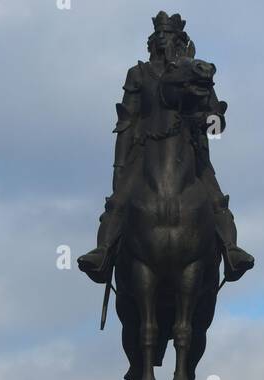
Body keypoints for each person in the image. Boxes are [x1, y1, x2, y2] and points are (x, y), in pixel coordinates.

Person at [78, 12, 254, 285]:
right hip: (145, 152)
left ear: (180, 40)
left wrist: (207, 119)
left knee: (216, 198)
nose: (164, 40)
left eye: (170, 35)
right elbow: (126, 122)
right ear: (152, 42)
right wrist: (119, 167)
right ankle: (103, 252)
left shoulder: (194, 72)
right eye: (160, 35)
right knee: (118, 201)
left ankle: (231, 250)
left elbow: (216, 124)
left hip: (192, 154)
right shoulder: (139, 74)